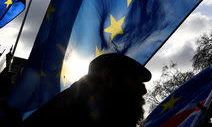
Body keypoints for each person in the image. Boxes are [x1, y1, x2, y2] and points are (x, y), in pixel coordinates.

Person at [22, 53, 151, 127]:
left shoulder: (105, 113)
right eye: (135, 81)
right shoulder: (74, 115)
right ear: (107, 77)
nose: (143, 90)